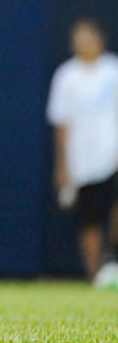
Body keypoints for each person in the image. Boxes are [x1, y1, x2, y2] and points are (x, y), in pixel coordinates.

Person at [47, 19, 118, 282]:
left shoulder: (113, 71)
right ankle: (96, 275)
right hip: (84, 162)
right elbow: (61, 122)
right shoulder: (67, 76)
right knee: (89, 220)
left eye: (87, 36)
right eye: (77, 37)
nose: (82, 42)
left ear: (100, 39)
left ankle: (112, 259)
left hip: (112, 156)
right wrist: (63, 165)